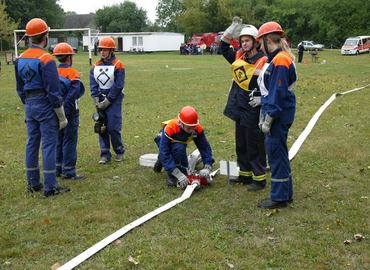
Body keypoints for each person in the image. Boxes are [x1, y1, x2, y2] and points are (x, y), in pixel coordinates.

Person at [14, 18, 70, 197]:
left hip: (29, 104)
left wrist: (28, 103)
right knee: (48, 145)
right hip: (45, 105)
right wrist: (61, 116)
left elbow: (19, 88)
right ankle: (50, 186)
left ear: (30, 37)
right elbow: (53, 92)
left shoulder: (20, 59)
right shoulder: (46, 60)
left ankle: (33, 183)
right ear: (45, 36)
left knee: (32, 143)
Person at [219, 17, 268, 191]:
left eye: (247, 40)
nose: (244, 44)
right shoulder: (239, 56)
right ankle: (245, 174)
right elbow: (223, 47)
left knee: (254, 142)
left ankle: (259, 178)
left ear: (255, 42)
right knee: (241, 142)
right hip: (239, 105)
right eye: (242, 40)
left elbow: (270, 83)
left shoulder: (264, 59)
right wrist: (232, 28)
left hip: (254, 107)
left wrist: (263, 100)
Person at [256, 21, 297, 208]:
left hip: (278, 116)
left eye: (260, 43)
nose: (260, 48)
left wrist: (269, 117)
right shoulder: (277, 58)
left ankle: (279, 197)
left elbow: (278, 93)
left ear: (266, 40)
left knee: (275, 154)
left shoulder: (280, 60)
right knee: (279, 153)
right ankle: (285, 193)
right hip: (278, 112)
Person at [153, 106, 213, 189]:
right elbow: (164, 151)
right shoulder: (171, 128)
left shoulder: (197, 128)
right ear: (181, 124)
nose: (192, 130)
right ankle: (172, 177)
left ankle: (161, 161)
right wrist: (177, 173)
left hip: (179, 142)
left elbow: (204, 147)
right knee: (178, 149)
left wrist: (207, 165)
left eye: (193, 127)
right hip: (162, 139)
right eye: (189, 128)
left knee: (179, 149)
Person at [90, 37, 125, 164]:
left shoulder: (118, 65)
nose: (102, 52)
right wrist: (96, 100)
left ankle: (119, 150)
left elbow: (118, 85)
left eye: (105, 50)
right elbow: (93, 83)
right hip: (100, 98)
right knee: (101, 126)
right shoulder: (95, 66)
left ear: (111, 50)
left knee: (113, 128)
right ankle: (105, 154)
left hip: (114, 100)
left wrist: (108, 100)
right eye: (101, 50)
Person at [53, 42, 85, 180]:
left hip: (56, 112)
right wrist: (66, 113)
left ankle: (57, 168)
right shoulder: (73, 73)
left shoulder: (52, 72)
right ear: (69, 57)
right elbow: (73, 95)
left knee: (58, 140)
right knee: (70, 141)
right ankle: (69, 171)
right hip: (71, 113)